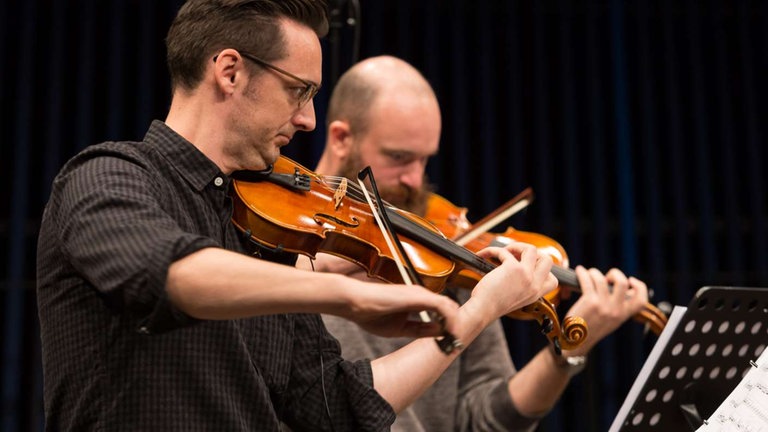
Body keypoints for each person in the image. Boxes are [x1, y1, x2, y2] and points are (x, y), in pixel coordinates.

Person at [35, 2, 559, 431]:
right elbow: (172, 273)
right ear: (230, 71)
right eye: (299, 90)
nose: (309, 118)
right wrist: (350, 295)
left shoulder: (259, 234)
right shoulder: (107, 175)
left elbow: (339, 405)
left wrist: (474, 315)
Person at [308, 55, 650, 431]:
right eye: (399, 158)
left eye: (425, 160)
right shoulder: (284, 246)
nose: (414, 180)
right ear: (342, 138)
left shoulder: (441, 255)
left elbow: (484, 417)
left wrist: (568, 349)